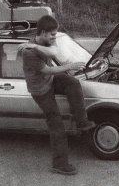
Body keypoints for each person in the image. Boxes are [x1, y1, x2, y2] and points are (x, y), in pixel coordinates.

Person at [18, 15, 95, 176]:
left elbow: (54, 52)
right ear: (44, 32)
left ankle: (82, 122)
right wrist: (69, 66)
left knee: (72, 82)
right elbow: (48, 70)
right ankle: (59, 164)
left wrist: (37, 47)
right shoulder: (27, 53)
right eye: (52, 34)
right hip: (41, 91)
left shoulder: (38, 45)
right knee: (56, 124)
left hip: (50, 81)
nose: (54, 37)